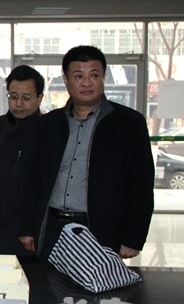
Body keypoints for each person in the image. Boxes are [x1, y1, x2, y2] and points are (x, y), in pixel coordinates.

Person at [20, 45, 154, 261]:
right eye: (78, 76)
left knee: (99, 282)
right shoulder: (48, 124)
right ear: (66, 80)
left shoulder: (129, 123)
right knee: (47, 282)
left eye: (94, 75)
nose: (86, 82)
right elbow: (32, 179)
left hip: (100, 229)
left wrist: (133, 238)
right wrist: (26, 227)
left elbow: (141, 185)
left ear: (103, 78)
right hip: (53, 227)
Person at [0, 65, 44, 259]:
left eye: (26, 97)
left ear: (39, 98)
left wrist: (30, 226)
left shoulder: (46, 129)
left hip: (27, 227)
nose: (19, 103)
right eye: (13, 96)